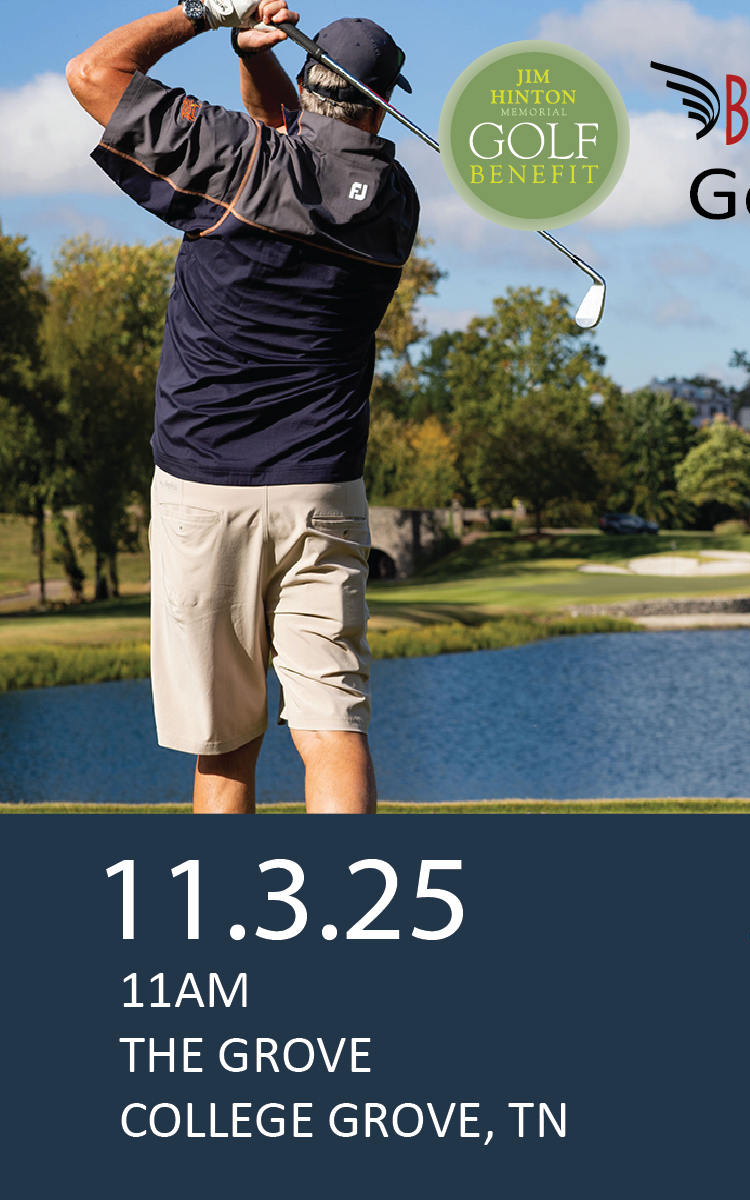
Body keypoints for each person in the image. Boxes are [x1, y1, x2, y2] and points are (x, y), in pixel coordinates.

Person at [66, 2, 420, 813]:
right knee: (333, 729)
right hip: (323, 494)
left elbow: (92, 75)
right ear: (379, 103)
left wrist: (201, 15)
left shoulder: (236, 163)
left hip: (204, 492)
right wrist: (256, 62)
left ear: (308, 80)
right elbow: (307, 152)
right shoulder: (394, 205)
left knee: (223, 749)